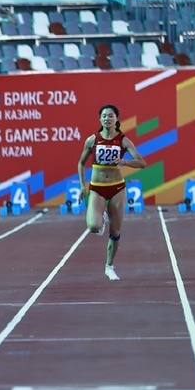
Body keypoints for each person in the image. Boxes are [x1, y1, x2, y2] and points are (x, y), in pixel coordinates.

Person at [76, 104, 147, 281]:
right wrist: (82, 185)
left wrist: (124, 162)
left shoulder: (124, 141)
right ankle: (101, 219)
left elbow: (142, 162)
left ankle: (109, 266)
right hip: (97, 188)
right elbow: (80, 163)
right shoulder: (92, 140)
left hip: (116, 188)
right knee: (93, 226)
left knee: (115, 232)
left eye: (110, 116)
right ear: (100, 119)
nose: (107, 118)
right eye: (104, 116)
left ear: (117, 118)